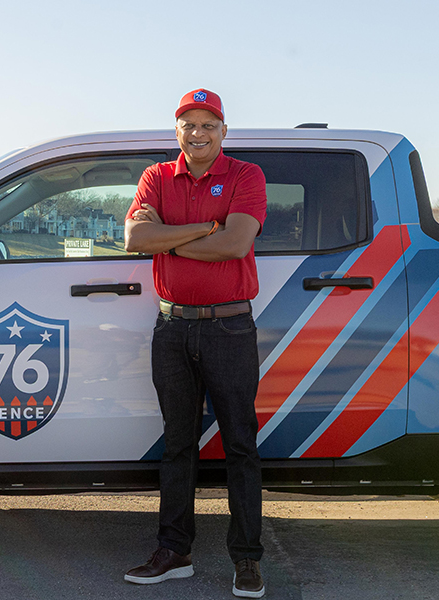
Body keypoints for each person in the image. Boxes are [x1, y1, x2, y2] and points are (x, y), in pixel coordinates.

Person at [122, 89, 268, 599]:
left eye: (209, 124)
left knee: (240, 446)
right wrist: (206, 226)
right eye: (189, 123)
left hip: (229, 328)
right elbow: (136, 239)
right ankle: (174, 552)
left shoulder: (246, 176)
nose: (199, 132)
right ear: (177, 130)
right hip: (172, 328)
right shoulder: (157, 177)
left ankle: (247, 560)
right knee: (178, 444)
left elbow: (235, 244)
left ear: (223, 131)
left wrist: (172, 234)